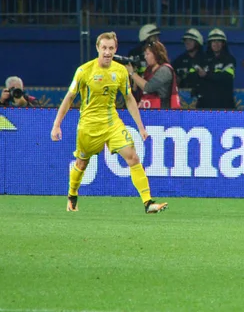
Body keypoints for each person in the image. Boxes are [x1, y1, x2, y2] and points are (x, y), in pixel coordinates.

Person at [50, 31, 168, 214]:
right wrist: (57, 125)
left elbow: (128, 99)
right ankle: (72, 195)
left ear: (115, 49)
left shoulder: (120, 71)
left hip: (112, 123)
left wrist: (141, 127)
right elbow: (69, 98)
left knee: (133, 157)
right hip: (88, 126)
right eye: (104, 48)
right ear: (97, 48)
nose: (107, 52)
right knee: (81, 164)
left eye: (111, 48)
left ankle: (148, 202)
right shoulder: (84, 71)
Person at [126, 41, 180, 109]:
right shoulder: (148, 70)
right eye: (144, 54)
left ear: (156, 54)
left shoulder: (164, 70)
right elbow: (138, 91)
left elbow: (148, 88)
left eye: (147, 54)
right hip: (147, 113)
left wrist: (132, 73)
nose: (145, 57)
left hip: (161, 113)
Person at [196, 28, 237, 109]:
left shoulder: (229, 59)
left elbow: (227, 77)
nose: (216, 44)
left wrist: (206, 75)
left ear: (223, 44)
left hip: (224, 103)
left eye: (219, 41)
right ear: (210, 43)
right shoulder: (203, 59)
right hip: (205, 104)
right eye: (213, 41)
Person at [172, 28, 206, 99]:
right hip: (182, 98)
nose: (187, 43)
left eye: (190, 40)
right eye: (186, 41)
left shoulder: (206, 59)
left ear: (197, 42)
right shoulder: (179, 60)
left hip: (202, 98)